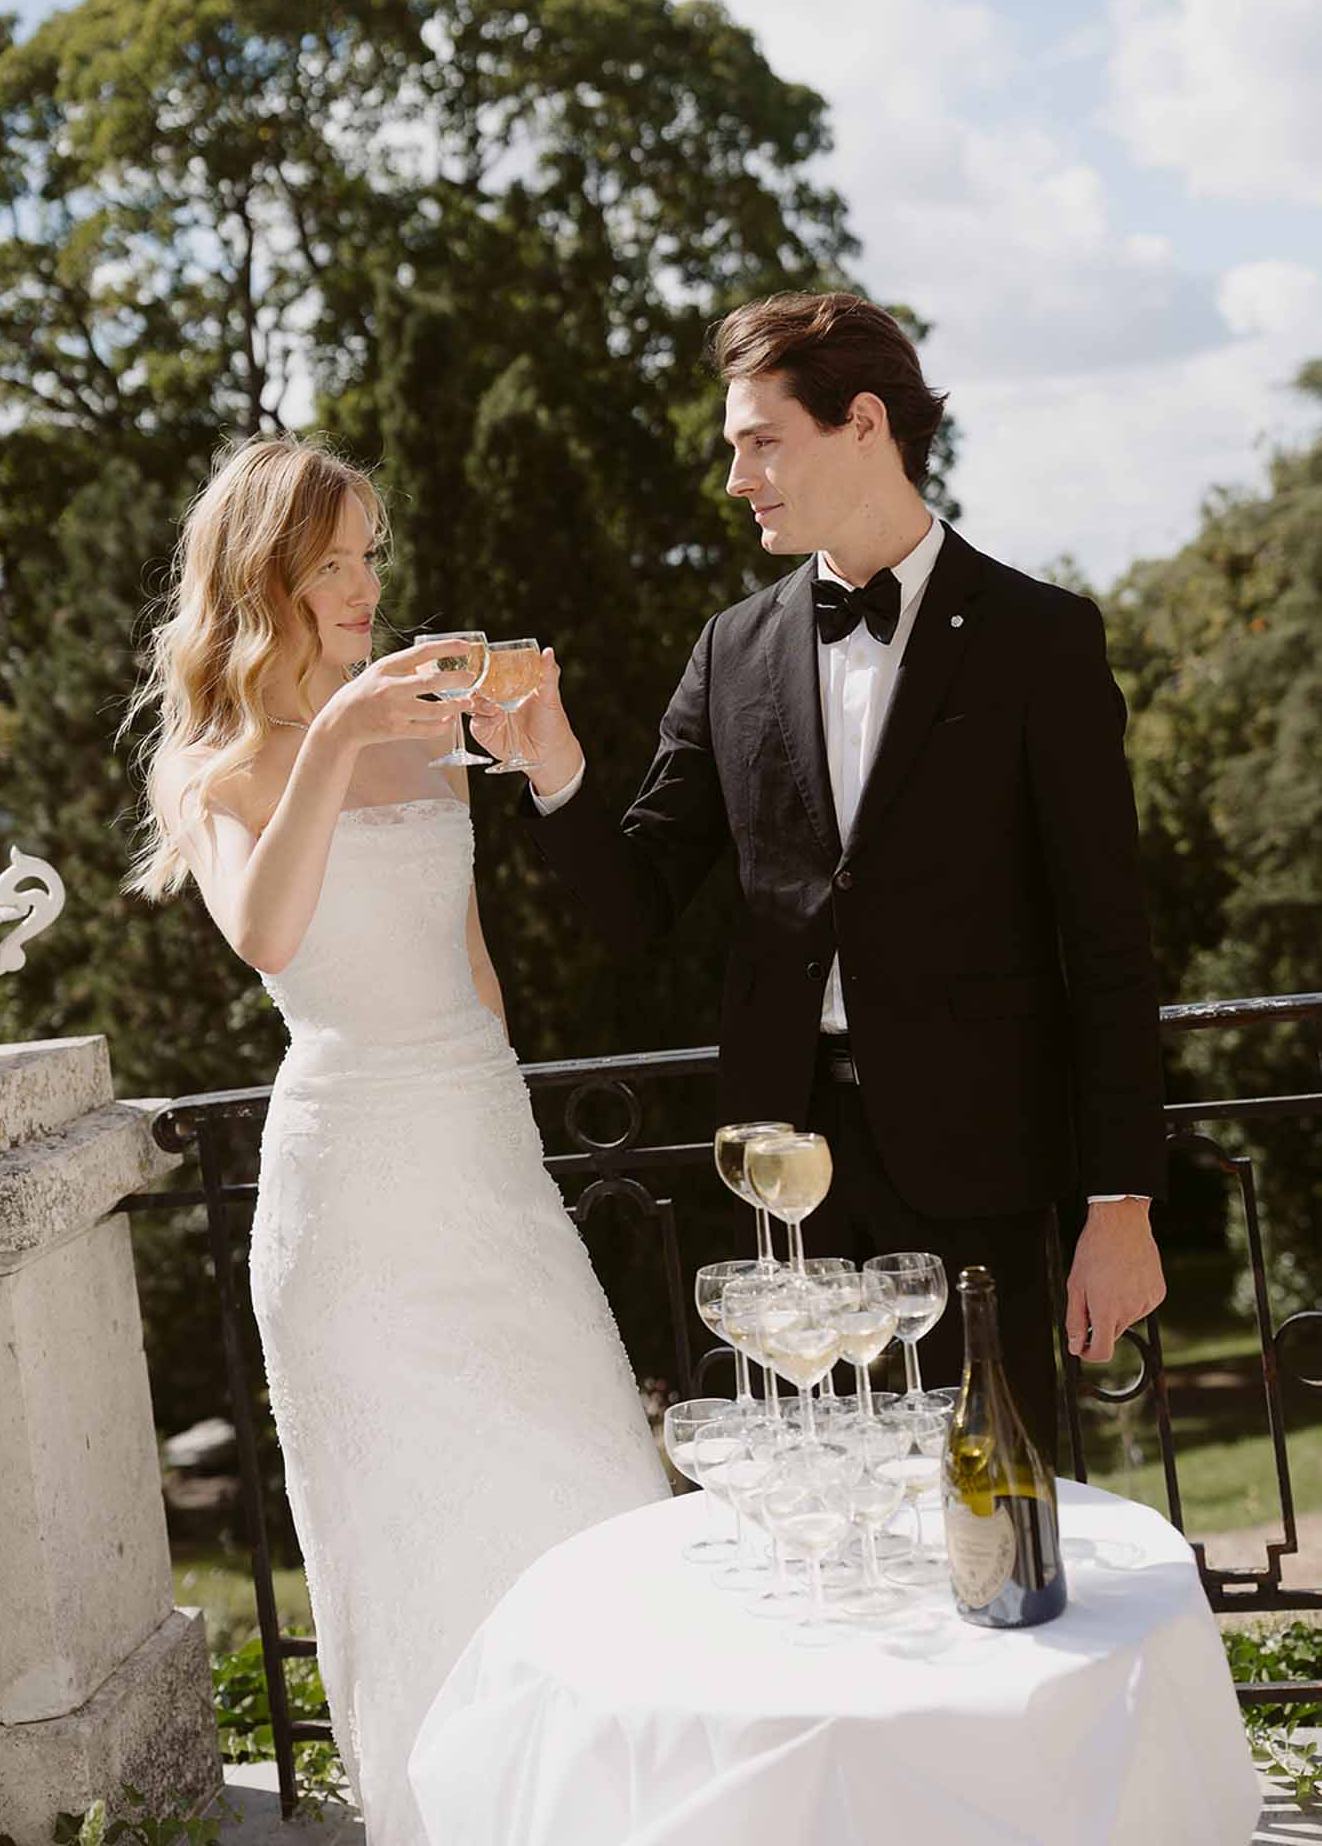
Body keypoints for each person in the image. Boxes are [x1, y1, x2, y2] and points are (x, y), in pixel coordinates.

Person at [471, 291, 1168, 1458]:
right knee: (817, 1510)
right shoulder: (729, 648)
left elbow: (1108, 941)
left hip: (981, 1164)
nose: (736, 476)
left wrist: (1120, 1202)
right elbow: (635, 906)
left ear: (860, 423)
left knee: (987, 1512)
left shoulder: (1039, 638)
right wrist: (554, 765)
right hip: (781, 1168)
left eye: (759, 440)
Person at [123, 435, 667, 1846]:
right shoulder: (218, 764)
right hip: (348, 1199)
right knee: (415, 1534)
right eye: (336, 562)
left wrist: (524, 746)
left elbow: (475, 966)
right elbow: (270, 935)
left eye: (372, 554)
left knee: (595, 1475)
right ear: (267, 581)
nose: (367, 584)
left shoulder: (432, 730)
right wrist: (342, 737)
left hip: (482, 1160)